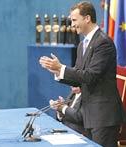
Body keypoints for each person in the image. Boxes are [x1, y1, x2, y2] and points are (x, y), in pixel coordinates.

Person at [39, 1, 125, 147]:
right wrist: (58, 71)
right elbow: (79, 80)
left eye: (74, 20)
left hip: (104, 117)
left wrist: (62, 68)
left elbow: (90, 76)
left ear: (87, 18)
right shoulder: (82, 45)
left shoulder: (103, 43)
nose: (72, 24)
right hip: (90, 116)